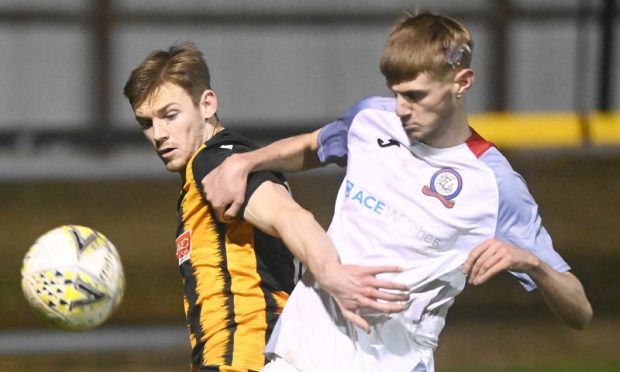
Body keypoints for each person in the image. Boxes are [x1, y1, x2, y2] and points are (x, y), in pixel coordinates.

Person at [201, 12, 593, 372]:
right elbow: (313, 146)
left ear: (462, 83)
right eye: (396, 92)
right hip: (302, 352)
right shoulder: (373, 118)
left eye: (416, 96)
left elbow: (580, 312)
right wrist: (246, 162)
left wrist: (532, 263)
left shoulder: (494, 185)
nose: (401, 108)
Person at [122, 42, 410, 371]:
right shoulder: (215, 168)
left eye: (170, 115)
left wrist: (330, 272)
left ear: (207, 104)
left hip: (244, 358)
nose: (159, 134)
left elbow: (289, 216)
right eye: (146, 123)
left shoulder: (217, 163)